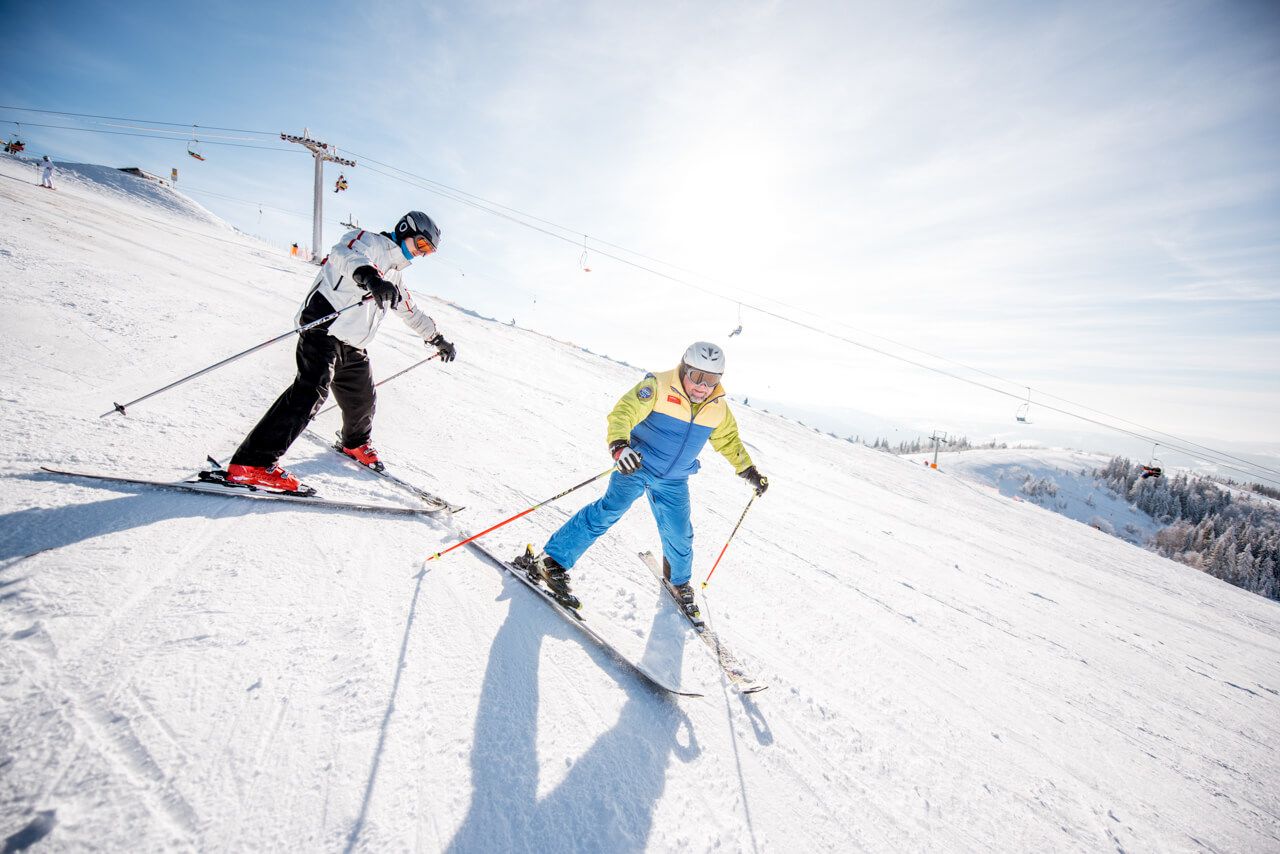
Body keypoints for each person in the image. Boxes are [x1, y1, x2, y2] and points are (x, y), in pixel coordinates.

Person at [522, 341, 768, 616]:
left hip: (674, 479)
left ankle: (679, 583)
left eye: (711, 380)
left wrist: (749, 471)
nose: (702, 386)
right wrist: (619, 446)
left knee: (680, 532)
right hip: (636, 466)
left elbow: (729, 441)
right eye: (697, 376)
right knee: (608, 511)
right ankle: (553, 561)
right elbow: (623, 413)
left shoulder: (718, 408)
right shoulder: (658, 386)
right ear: (684, 369)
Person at [224, 211, 457, 492]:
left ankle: (354, 444)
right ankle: (252, 464)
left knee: (363, 399)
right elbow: (344, 253)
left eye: (427, 252)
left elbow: (410, 311)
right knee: (311, 390)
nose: (421, 254)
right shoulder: (367, 242)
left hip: (352, 342)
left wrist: (437, 338)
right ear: (405, 230)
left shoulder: (395, 276)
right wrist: (369, 277)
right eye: (421, 245)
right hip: (323, 326)